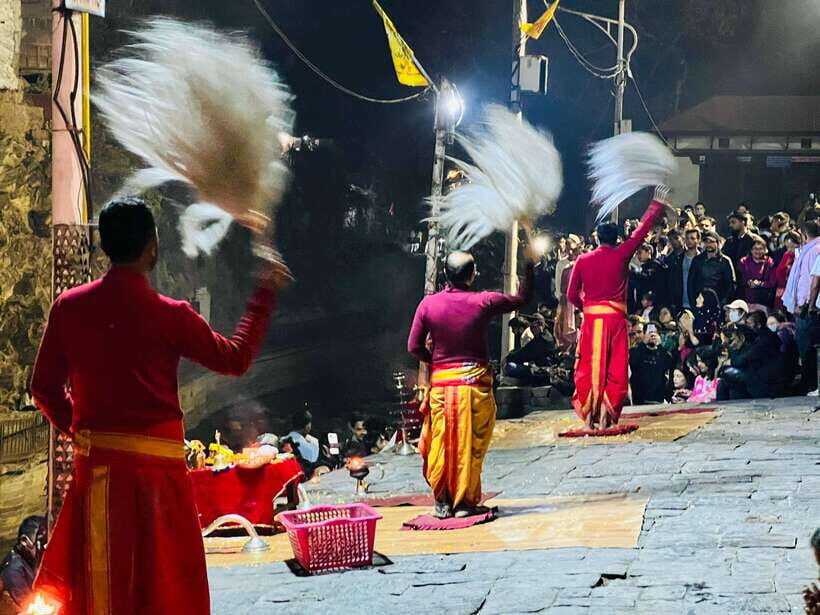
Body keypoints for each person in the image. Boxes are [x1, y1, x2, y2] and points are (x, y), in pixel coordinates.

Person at [29, 197, 291, 614]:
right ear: (152, 245)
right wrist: (263, 294)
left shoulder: (70, 309)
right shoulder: (171, 315)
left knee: (102, 589)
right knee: (166, 590)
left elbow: (42, 387)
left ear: (105, 248)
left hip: (98, 475)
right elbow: (236, 357)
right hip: (160, 483)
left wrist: (80, 430)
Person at [408, 245, 536, 518]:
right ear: (473, 274)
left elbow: (413, 346)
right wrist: (528, 265)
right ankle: (464, 503)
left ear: (445, 274)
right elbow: (522, 298)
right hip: (474, 384)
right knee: (470, 444)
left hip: (443, 385)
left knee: (441, 442)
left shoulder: (428, 304)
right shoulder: (484, 300)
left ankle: (442, 501)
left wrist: (435, 361)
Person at [566, 188, 672, 429]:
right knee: (615, 367)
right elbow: (640, 232)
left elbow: (571, 294)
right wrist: (656, 203)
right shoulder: (622, 254)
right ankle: (605, 416)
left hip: (592, 321)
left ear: (596, 238)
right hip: (615, 321)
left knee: (589, 366)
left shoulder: (582, 260)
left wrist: (589, 309)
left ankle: (588, 421)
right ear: (616, 239)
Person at [783, 219, 820, 393]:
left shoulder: (814, 250)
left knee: (808, 347)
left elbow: (810, 281)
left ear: (804, 235)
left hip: (809, 308)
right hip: (807, 306)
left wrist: (805, 304)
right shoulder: (809, 250)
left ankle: (811, 384)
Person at [717, 323, 784, 400]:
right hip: (748, 379)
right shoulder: (735, 348)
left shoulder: (753, 346)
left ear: (741, 337)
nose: (730, 342)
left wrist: (730, 361)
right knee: (723, 382)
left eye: (732, 339)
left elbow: (742, 361)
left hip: (759, 382)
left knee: (731, 379)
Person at [0, 516, 45, 610]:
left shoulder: (31, 557)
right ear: (25, 542)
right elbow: (31, 608)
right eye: (38, 544)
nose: (43, 550)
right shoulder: (13, 571)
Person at [629, 323, 675, 405]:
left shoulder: (665, 354)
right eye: (649, 333)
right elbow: (633, 363)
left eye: (655, 333)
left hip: (659, 400)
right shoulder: (634, 352)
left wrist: (660, 346)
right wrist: (643, 344)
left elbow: (668, 369)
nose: (652, 336)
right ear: (643, 334)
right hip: (639, 401)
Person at [691, 231, 736, 305]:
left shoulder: (725, 261)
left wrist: (723, 303)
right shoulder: (697, 260)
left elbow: (731, 285)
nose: (708, 244)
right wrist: (693, 300)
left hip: (719, 302)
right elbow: (691, 283)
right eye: (706, 242)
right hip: (700, 302)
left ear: (717, 243)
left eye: (711, 242)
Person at [554, 235, 581, 350]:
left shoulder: (582, 262)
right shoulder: (561, 264)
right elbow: (558, 284)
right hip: (565, 301)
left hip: (579, 301)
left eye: (573, 249)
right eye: (568, 248)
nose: (570, 251)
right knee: (562, 328)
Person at [668, 228, 701, 313]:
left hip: (698, 303)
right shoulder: (677, 260)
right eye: (687, 238)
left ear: (698, 240)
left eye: (692, 238)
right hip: (680, 304)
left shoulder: (703, 259)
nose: (689, 241)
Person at [737, 237, 775, 313]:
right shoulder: (743, 262)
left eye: (761, 249)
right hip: (746, 300)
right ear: (751, 250)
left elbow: (772, 283)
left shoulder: (769, 263)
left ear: (765, 250)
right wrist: (749, 282)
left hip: (763, 301)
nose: (758, 251)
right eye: (755, 248)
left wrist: (759, 284)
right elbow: (740, 279)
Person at [767, 311, 799, 390]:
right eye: (768, 324)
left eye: (772, 323)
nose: (770, 326)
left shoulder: (784, 333)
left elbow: (783, 351)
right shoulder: (774, 335)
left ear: (781, 323)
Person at [773, 231, 800, 311]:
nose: (790, 250)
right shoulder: (786, 255)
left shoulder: (801, 255)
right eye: (787, 247)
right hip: (783, 287)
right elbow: (779, 271)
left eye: (793, 247)